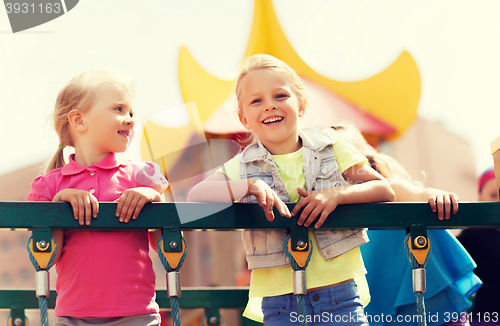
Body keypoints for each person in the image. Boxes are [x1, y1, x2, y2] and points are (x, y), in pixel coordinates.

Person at [187, 54, 396, 325]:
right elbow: (196, 195)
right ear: (244, 119)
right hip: (280, 303)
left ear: (301, 105)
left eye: (280, 96)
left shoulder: (332, 148)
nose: (269, 106)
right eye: (256, 101)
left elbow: (382, 189)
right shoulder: (243, 165)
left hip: (339, 294)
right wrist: (250, 185)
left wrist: (336, 194)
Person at [26, 69, 169, 326]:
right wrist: (58, 207)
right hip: (73, 317)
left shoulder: (143, 175)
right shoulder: (49, 185)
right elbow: (45, 258)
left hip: (137, 315)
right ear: (79, 121)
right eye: (118, 109)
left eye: (131, 113)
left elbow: (169, 247)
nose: (130, 119)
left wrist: (153, 198)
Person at [326, 123, 481, 326]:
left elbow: (416, 194)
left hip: (429, 300)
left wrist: (437, 196)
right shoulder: (332, 210)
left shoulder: (388, 189)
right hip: (375, 303)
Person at [457, 167, 500, 324]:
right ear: (480, 197)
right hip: (487, 316)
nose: (499, 200)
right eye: (493, 195)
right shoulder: (473, 234)